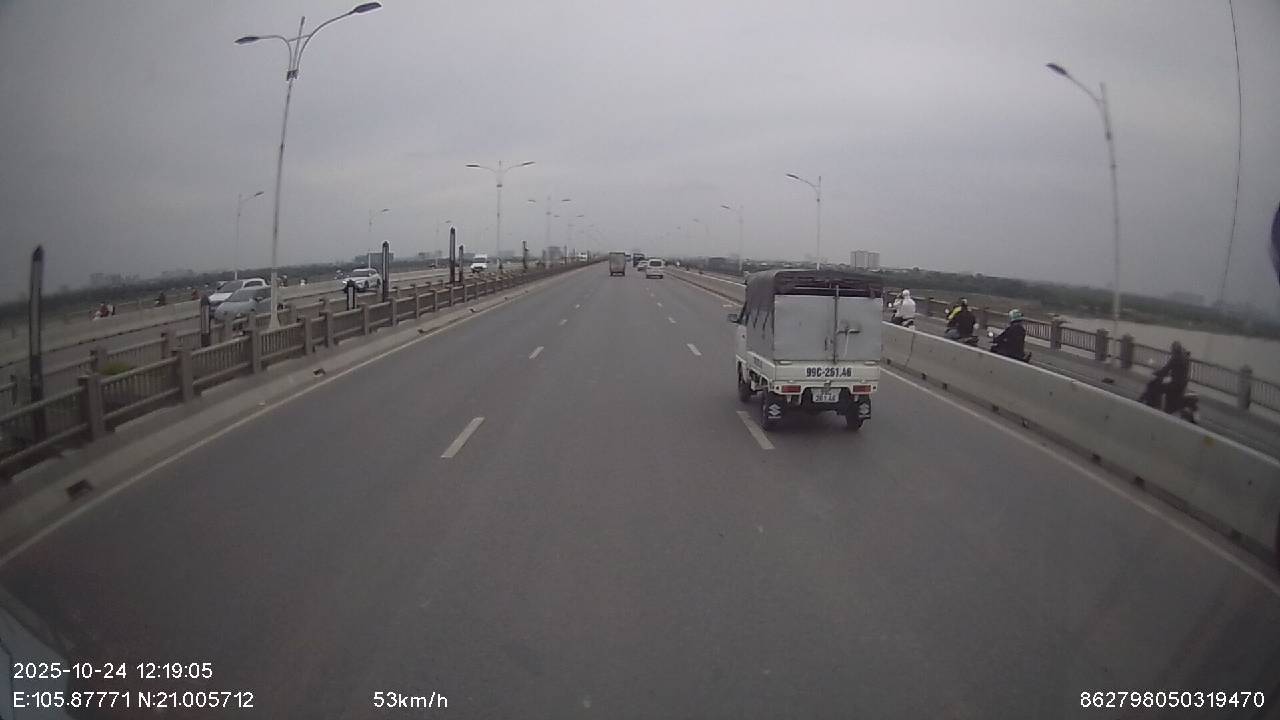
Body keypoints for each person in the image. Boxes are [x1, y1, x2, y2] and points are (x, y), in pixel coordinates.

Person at [1153, 341, 1190, 412]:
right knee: (1168, 392)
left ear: (1174, 350)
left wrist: (1156, 373)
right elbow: (1179, 371)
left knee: (1158, 386)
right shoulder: (1184, 358)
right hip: (1183, 384)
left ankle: (1158, 406)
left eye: (1171, 349)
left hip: (1176, 384)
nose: (1171, 351)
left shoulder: (1175, 358)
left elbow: (1165, 370)